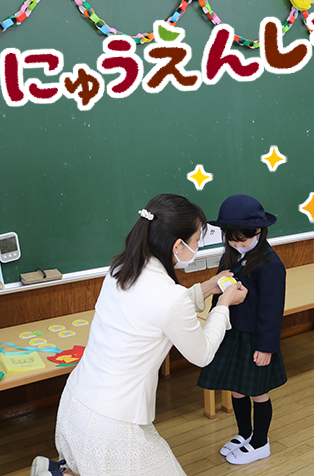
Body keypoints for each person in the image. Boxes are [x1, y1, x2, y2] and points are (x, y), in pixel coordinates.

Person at [30, 193, 247, 476]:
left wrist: (207, 287)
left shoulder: (120, 269)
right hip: (112, 423)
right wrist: (223, 305)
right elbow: (202, 353)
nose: (197, 247)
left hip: (77, 401)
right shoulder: (170, 297)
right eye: (196, 241)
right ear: (177, 245)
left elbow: (155, 309)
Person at [198, 194, 286, 465]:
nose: (236, 244)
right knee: (235, 388)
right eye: (231, 239)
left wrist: (266, 347)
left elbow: (272, 311)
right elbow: (219, 294)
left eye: (242, 240)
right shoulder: (231, 255)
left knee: (257, 391)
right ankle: (244, 433)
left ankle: (260, 442)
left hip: (254, 338)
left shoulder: (271, 264)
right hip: (231, 332)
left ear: (258, 231)